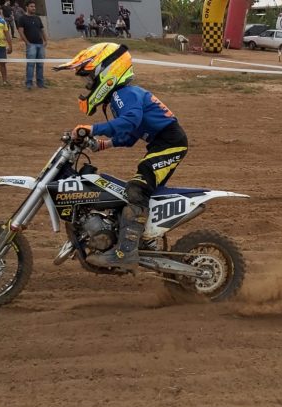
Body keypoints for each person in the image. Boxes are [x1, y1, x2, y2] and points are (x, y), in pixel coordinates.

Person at [56, 43, 188, 270]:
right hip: (161, 144)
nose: (88, 84)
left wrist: (92, 129)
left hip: (170, 144)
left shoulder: (124, 94)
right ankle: (135, 237)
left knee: (137, 189)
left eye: (90, 78)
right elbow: (129, 135)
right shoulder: (120, 97)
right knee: (126, 191)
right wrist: (103, 144)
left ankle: (125, 252)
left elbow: (129, 122)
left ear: (107, 72)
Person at [17, 0, 47, 89]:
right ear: (26, 7)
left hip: (40, 44)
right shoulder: (22, 18)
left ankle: (40, 83)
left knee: (40, 65)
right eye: (31, 6)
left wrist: (45, 40)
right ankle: (29, 83)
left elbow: (42, 30)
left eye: (34, 6)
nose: (33, 8)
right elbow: (20, 31)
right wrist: (27, 43)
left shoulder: (37, 18)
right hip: (31, 45)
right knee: (30, 65)